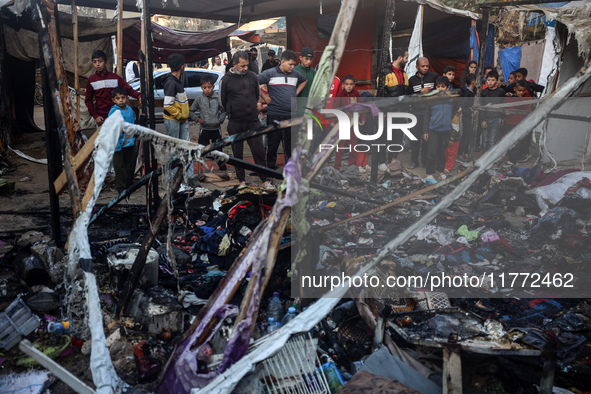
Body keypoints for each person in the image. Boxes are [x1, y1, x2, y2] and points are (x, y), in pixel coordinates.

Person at [220, 51, 272, 189]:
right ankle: (241, 181)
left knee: (259, 151)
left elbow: (256, 95)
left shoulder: (253, 76)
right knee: (237, 153)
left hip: (253, 121)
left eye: (247, 65)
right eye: (242, 66)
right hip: (235, 122)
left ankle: (265, 180)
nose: (245, 68)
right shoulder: (226, 80)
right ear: (234, 64)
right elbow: (222, 101)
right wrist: (234, 110)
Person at [258, 49, 307, 170]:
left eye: (294, 65)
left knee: (290, 143)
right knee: (273, 143)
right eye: (290, 64)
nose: (292, 67)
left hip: (291, 115)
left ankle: (290, 166)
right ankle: (271, 167)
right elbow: (254, 81)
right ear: (283, 62)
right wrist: (265, 97)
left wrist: (296, 92)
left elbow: (304, 80)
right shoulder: (269, 73)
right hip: (275, 114)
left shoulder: (295, 74)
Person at [162, 53, 197, 186]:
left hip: (181, 120)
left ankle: (190, 177)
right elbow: (168, 105)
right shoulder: (171, 82)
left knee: (186, 147)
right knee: (173, 150)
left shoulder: (176, 81)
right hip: (173, 120)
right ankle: (171, 179)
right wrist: (179, 115)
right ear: (182, 67)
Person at [86, 50, 141, 127]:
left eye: (100, 61)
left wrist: (139, 96)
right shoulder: (91, 80)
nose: (97, 64)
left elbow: (128, 89)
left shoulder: (115, 78)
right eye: (94, 62)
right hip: (101, 118)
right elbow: (88, 100)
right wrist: (95, 116)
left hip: (117, 116)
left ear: (106, 63)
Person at [189, 74, 229, 181]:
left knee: (219, 150)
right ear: (201, 88)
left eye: (209, 87)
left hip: (216, 129)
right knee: (201, 150)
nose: (207, 90)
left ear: (213, 87)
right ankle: (200, 172)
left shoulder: (218, 98)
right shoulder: (199, 99)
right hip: (204, 129)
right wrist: (198, 119)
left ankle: (223, 171)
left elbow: (224, 110)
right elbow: (190, 111)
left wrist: (220, 120)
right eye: (205, 87)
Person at [423, 76, 458, 179]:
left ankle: (441, 171)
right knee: (432, 153)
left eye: (443, 86)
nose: (440, 89)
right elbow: (426, 116)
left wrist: (449, 117)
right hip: (433, 130)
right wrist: (425, 131)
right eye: (438, 87)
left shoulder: (451, 100)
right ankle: (429, 173)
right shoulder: (432, 100)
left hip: (446, 131)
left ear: (447, 88)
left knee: (442, 153)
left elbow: (456, 108)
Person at [408, 57, 438, 169]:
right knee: (414, 138)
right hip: (416, 113)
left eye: (427, 66)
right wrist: (420, 92)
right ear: (417, 67)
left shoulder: (433, 77)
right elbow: (408, 97)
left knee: (427, 139)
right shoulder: (412, 80)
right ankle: (414, 161)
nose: (425, 68)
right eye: (422, 66)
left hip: (429, 113)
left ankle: (425, 161)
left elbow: (439, 90)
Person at [332, 75, 367, 171]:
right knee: (340, 148)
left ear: (354, 85)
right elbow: (335, 107)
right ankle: (337, 168)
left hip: (353, 124)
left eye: (351, 84)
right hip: (342, 124)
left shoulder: (356, 93)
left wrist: (363, 118)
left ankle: (352, 168)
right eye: (346, 84)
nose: (349, 86)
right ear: (343, 85)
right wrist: (333, 121)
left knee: (353, 147)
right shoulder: (340, 93)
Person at [107, 86, 136, 193]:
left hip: (129, 142)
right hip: (117, 144)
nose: (121, 100)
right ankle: (121, 188)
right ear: (113, 100)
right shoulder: (113, 112)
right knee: (120, 167)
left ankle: (128, 186)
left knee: (129, 165)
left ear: (126, 98)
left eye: (123, 98)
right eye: (118, 98)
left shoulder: (130, 110)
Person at [505, 80, 533, 163]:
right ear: (514, 89)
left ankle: (513, 160)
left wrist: (512, 99)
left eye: (523, 90)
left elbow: (518, 105)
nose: (521, 92)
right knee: (510, 141)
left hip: (520, 123)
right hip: (510, 122)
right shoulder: (509, 98)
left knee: (517, 142)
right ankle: (511, 156)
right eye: (519, 90)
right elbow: (505, 108)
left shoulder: (526, 98)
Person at [480, 70, 506, 151]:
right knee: (484, 141)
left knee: (492, 141)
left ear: (497, 80)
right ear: (486, 81)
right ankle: (483, 160)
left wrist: (502, 118)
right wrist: (482, 120)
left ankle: (489, 161)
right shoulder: (483, 92)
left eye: (493, 80)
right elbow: (481, 107)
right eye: (488, 80)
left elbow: (503, 105)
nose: (490, 82)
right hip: (486, 119)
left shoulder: (501, 92)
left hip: (496, 119)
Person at [457, 73, 476, 161]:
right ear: (473, 82)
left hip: (471, 117)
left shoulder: (474, 92)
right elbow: (464, 106)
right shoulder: (466, 93)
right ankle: (460, 154)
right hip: (466, 117)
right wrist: (470, 113)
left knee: (469, 135)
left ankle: (466, 152)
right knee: (465, 135)